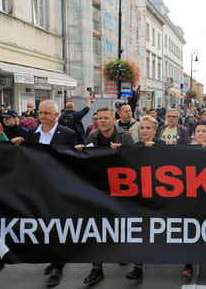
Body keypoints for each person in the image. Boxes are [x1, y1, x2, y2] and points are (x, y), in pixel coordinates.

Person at [15, 100, 77, 286]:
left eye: (46, 113)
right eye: (40, 113)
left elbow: (77, 159)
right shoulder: (32, 134)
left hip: (59, 187)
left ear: (56, 115)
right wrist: (18, 145)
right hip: (39, 186)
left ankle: (57, 264)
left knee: (56, 225)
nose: (42, 116)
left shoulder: (68, 134)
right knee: (43, 224)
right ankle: (55, 258)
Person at [77, 107, 134, 286]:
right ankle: (96, 268)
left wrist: (121, 151)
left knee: (121, 225)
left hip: (121, 188)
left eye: (106, 118)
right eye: (99, 118)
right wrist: (79, 151)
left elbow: (135, 160)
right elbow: (86, 162)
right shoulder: (92, 137)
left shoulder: (124, 136)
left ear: (113, 119)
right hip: (99, 188)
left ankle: (124, 252)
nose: (102, 121)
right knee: (97, 227)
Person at [125, 115, 166, 281]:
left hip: (159, 194)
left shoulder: (161, 145)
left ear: (155, 131)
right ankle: (138, 267)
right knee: (140, 229)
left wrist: (153, 149)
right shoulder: (135, 146)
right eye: (142, 128)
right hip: (140, 194)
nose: (144, 131)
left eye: (148, 128)